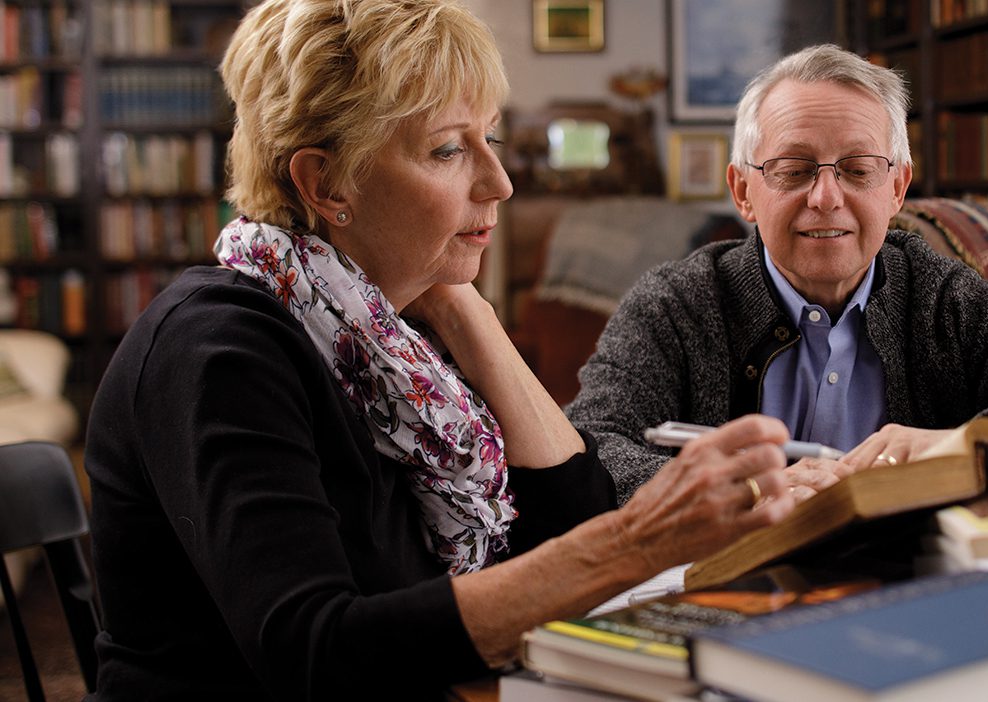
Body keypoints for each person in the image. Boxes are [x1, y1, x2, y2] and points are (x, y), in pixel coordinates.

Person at [82, 1, 795, 699]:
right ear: (325, 183)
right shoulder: (220, 349)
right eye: (448, 149)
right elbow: (314, 654)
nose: (500, 182)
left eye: (492, 139)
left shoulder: (391, 331)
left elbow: (570, 525)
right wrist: (636, 545)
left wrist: (465, 309)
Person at [568, 44, 988, 503]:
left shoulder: (943, 299)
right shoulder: (675, 303)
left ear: (897, 188)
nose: (826, 198)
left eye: (857, 170)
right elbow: (589, 446)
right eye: (793, 168)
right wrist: (739, 490)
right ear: (743, 191)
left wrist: (960, 444)